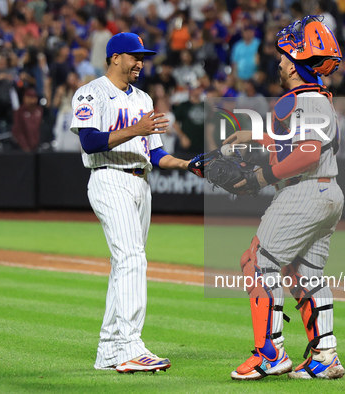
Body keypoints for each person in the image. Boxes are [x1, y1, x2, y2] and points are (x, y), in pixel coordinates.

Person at [222, 15, 345, 380]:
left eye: (283, 57)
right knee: (303, 275)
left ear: (294, 64)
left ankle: (270, 355)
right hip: (327, 191)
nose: (279, 62)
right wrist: (251, 137)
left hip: (305, 189)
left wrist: (260, 176)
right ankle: (325, 355)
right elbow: (298, 144)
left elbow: (305, 153)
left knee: (256, 263)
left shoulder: (304, 100)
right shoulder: (317, 98)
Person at [69, 32, 197, 373]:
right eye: (133, 55)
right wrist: (135, 129)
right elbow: (90, 141)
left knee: (123, 265)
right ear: (114, 58)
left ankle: (109, 350)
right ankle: (130, 346)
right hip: (109, 178)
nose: (140, 62)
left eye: (143, 56)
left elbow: (156, 153)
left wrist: (187, 165)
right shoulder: (91, 92)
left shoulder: (142, 99)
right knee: (131, 258)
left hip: (141, 183)